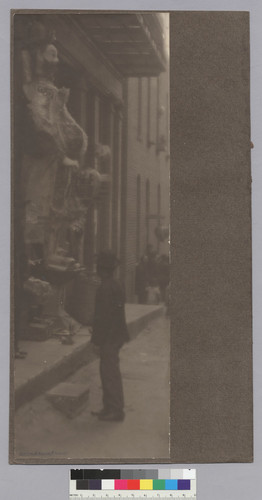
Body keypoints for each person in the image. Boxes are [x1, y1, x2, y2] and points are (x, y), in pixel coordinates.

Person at [91, 250, 129, 421]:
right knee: (108, 371)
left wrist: (96, 340)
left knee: (109, 372)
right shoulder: (116, 284)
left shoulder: (105, 288)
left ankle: (115, 410)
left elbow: (103, 317)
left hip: (109, 336)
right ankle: (110, 407)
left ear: (102, 269)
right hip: (116, 334)